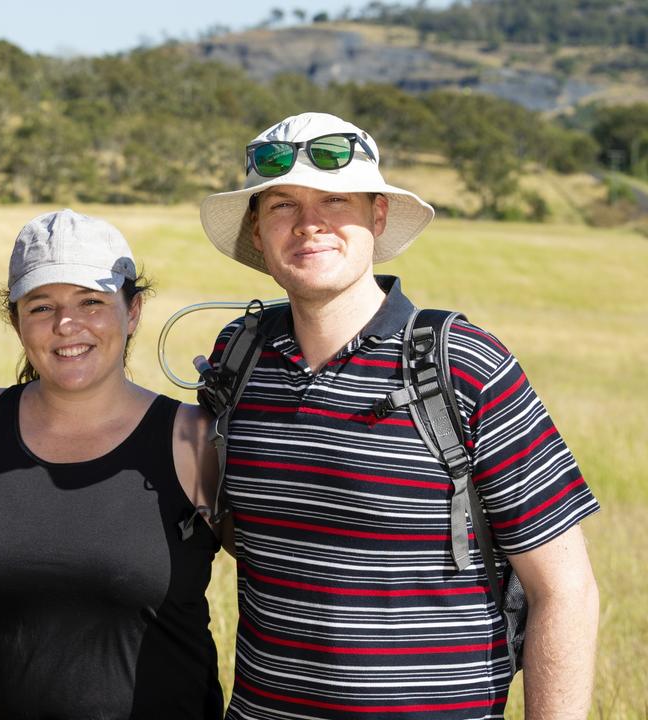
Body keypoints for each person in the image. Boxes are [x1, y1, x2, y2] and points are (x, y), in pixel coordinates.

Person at [197, 112, 600, 718]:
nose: (310, 225)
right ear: (257, 231)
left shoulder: (461, 364)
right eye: (282, 205)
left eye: (335, 200)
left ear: (377, 216)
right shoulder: (240, 356)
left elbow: (565, 591)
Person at [0, 209, 225, 718]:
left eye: (91, 301)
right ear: (16, 320)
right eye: (41, 306)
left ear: (132, 311)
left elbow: (281, 572)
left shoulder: (193, 438)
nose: (66, 325)